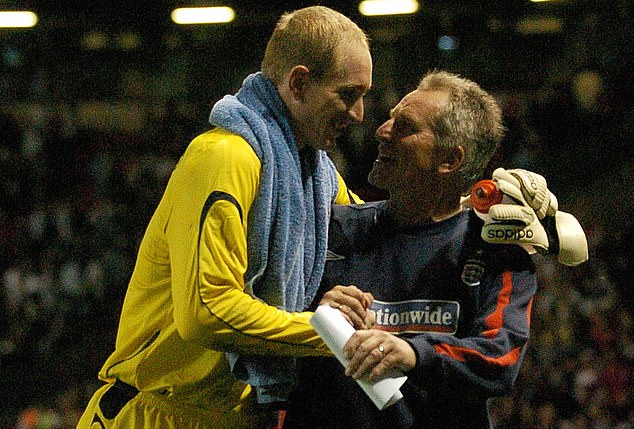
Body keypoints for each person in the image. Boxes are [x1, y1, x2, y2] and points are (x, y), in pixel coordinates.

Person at [77, 6, 374, 429]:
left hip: (235, 418)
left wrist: (469, 210)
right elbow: (207, 312)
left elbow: (368, 229)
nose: (360, 113)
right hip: (157, 414)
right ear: (299, 83)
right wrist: (326, 331)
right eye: (348, 94)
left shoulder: (311, 173)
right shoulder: (223, 157)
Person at [283, 70, 585, 428]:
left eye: (404, 126)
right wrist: (311, 317)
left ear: (450, 160)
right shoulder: (331, 228)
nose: (381, 130)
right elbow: (265, 324)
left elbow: (502, 356)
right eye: (391, 118)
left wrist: (414, 353)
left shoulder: (494, 248)